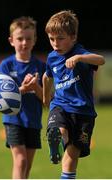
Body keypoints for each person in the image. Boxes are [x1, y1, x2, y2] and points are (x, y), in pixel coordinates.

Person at [42, 10, 105, 179]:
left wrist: (79, 58)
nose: (55, 43)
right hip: (60, 106)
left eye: (60, 38)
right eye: (51, 39)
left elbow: (101, 60)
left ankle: (61, 146)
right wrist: (45, 97)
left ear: (73, 37)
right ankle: (56, 139)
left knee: (71, 158)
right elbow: (46, 77)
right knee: (58, 128)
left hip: (84, 113)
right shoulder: (52, 58)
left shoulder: (80, 52)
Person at [0, 16, 46, 179]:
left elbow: (47, 100)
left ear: (35, 40)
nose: (24, 42)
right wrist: (24, 89)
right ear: (11, 40)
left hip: (33, 121)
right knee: (21, 161)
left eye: (28, 38)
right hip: (13, 120)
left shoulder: (41, 66)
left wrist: (36, 87)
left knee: (27, 166)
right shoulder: (6, 65)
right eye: (20, 38)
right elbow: (2, 98)